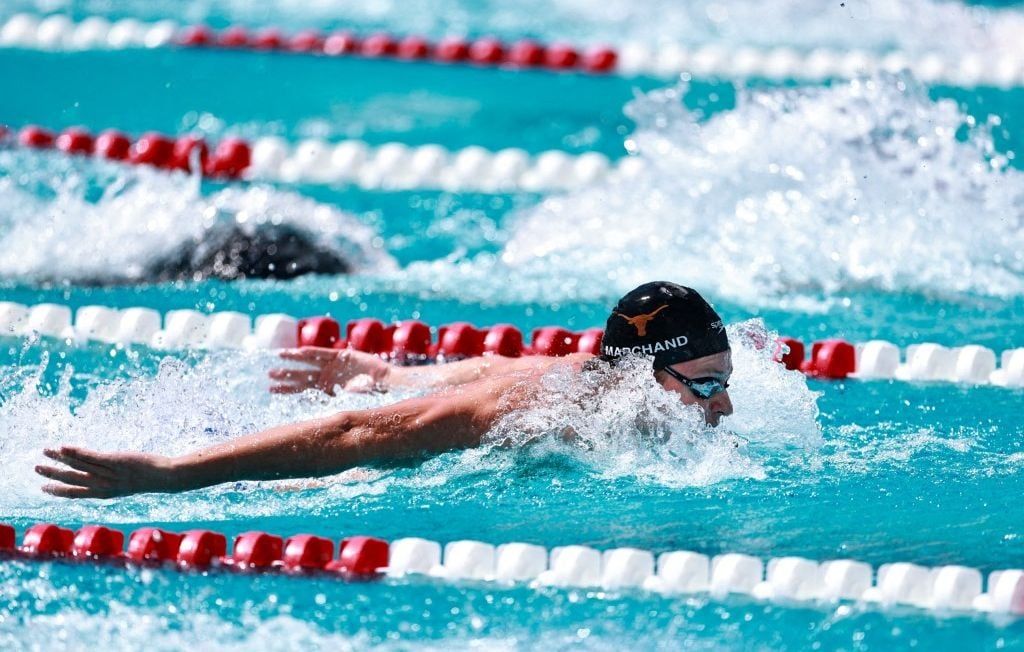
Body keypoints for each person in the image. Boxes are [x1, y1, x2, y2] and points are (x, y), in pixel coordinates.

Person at [35, 282, 733, 499]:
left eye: (725, 384)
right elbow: (359, 434)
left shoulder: (589, 376)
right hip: (316, 468)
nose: (723, 407)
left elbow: (479, 369)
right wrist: (170, 474)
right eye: (705, 388)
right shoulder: (532, 411)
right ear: (641, 374)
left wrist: (385, 373)